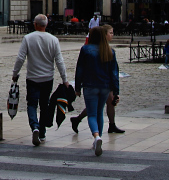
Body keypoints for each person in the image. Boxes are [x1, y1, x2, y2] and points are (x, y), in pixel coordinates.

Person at [11, 14, 66, 147]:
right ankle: (42, 133)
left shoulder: (28, 38)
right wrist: (65, 79)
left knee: (32, 104)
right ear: (46, 25)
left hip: (32, 77)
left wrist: (15, 73)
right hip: (47, 78)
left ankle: (34, 126)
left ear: (35, 24)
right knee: (44, 105)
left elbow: (20, 58)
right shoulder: (53, 40)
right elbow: (59, 61)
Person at [74, 24, 121, 156]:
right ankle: (98, 137)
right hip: (105, 86)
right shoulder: (110, 51)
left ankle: (96, 137)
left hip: (89, 85)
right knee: (99, 113)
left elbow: (80, 70)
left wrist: (77, 87)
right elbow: (114, 73)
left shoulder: (86, 50)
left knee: (92, 114)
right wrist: (116, 92)